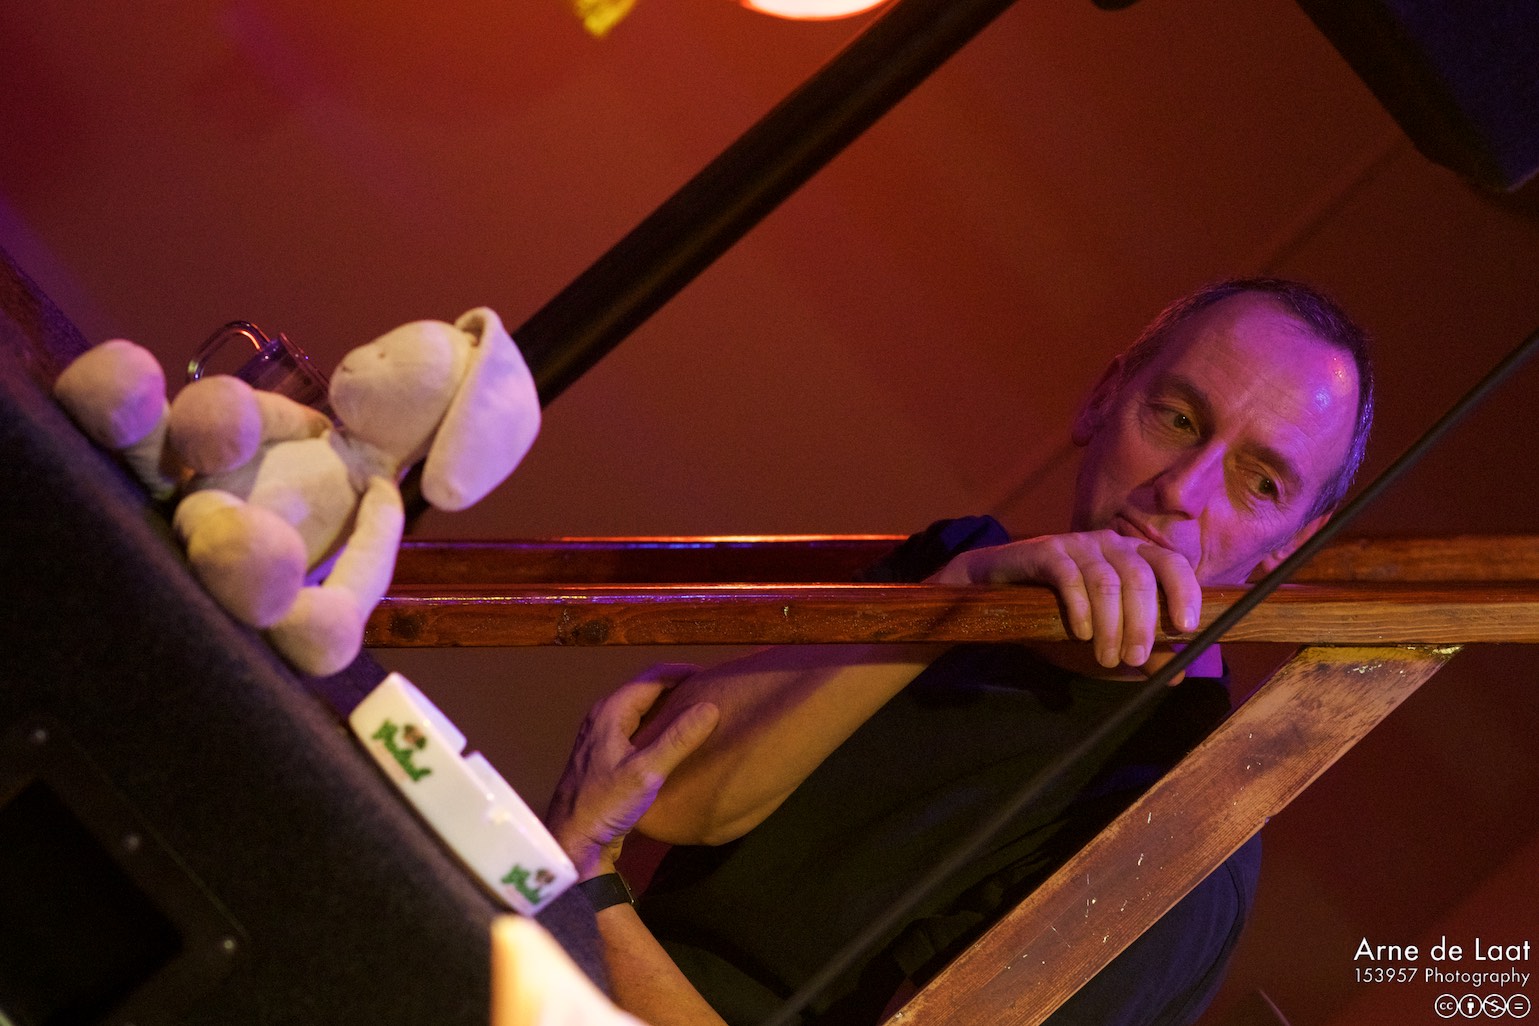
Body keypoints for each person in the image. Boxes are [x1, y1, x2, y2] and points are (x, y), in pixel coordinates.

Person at [544, 277, 1375, 1026]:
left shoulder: (1182, 831)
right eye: (1177, 419)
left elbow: (594, 841)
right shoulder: (961, 562)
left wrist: (585, 899)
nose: (1181, 492)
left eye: (1257, 482)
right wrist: (951, 598)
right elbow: (667, 797)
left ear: (1286, 548)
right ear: (1102, 396)